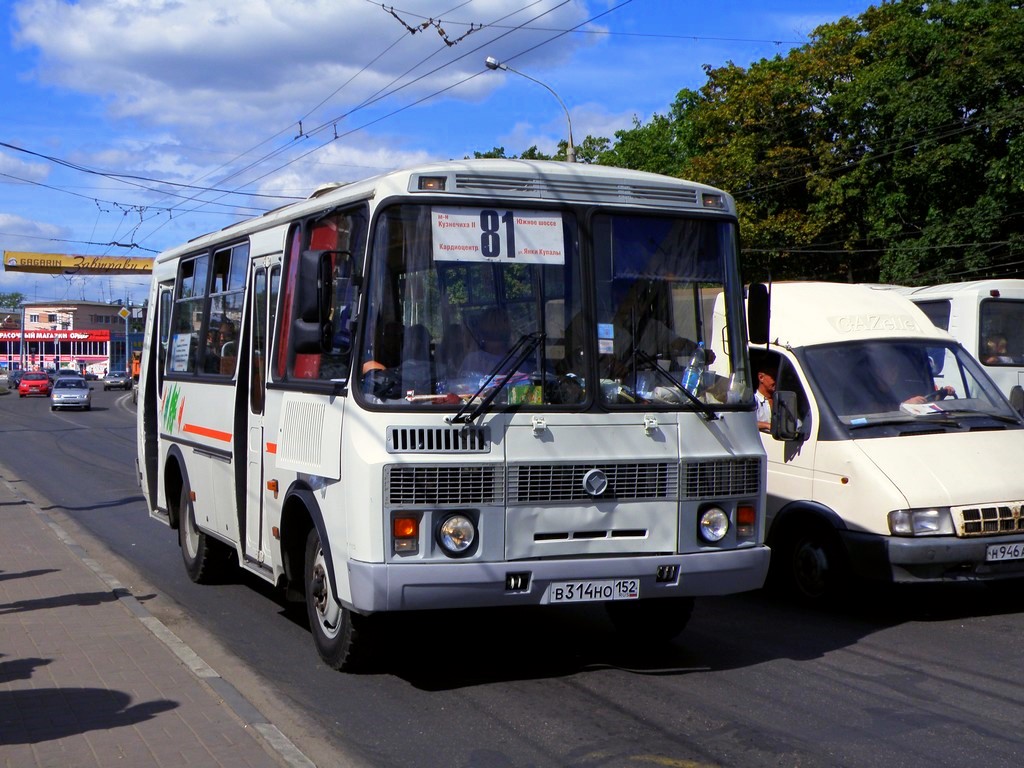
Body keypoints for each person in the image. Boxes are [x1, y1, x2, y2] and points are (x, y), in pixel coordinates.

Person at [752, 354, 776, 431]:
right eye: (773, 376)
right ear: (761, 377)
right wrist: (767, 425)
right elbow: (744, 422)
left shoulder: (781, 401)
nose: (776, 380)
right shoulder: (753, 401)